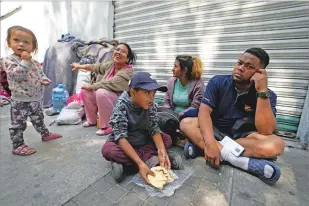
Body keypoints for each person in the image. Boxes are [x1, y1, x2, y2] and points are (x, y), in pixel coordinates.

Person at [180, 48, 285, 185]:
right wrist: (211, 143)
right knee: (186, 123)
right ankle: (239, 161)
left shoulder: (267, 95)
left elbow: (266, 130)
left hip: (244, 138)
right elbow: (204, 113)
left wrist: (262, 92)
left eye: (249, 66)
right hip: (216, 131)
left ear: (259, 73)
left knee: (277, 145)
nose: (240, 68)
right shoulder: (218, 82)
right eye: (239, 63)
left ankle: (202, 148)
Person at [101, 72, 183, 183]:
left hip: (143, 140)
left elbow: (154, 127)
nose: (151, 98)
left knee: (167, 139)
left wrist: (161, 150)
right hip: (126, 142)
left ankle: (129, 166)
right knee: (108, 150)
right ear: (133, 92)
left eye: (153, 93)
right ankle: (148, 161)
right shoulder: (121, 105)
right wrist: (140, 163)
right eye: (147, 93)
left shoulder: (151, 105)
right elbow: (120, 137)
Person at [2, 26, 62, 156]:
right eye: (16, 40)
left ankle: (45, 134)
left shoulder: (34, 62)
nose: (21, 44)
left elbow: (40, 74)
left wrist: (44, 79)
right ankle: (17, 145)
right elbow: (17, 75)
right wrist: (25, 61)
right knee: (18, 124)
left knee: (39, 118)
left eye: (26, 42)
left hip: (35, 98)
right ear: (9, 43)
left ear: (33, 48)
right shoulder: (9, 60)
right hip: (20, 99)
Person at [71, 43, 135, 136]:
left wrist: (92, 86)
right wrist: (80, 66)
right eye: (117, 50)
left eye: (123, 52)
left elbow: (110, 83)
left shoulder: (128, 71)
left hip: (122, 102)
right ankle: (91, 120)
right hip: (107, 98)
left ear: (128, 58)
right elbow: (96, 67)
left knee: (100, 92)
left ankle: (108, 126)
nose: (118, 53)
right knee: (85, 92)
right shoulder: (111, 65)